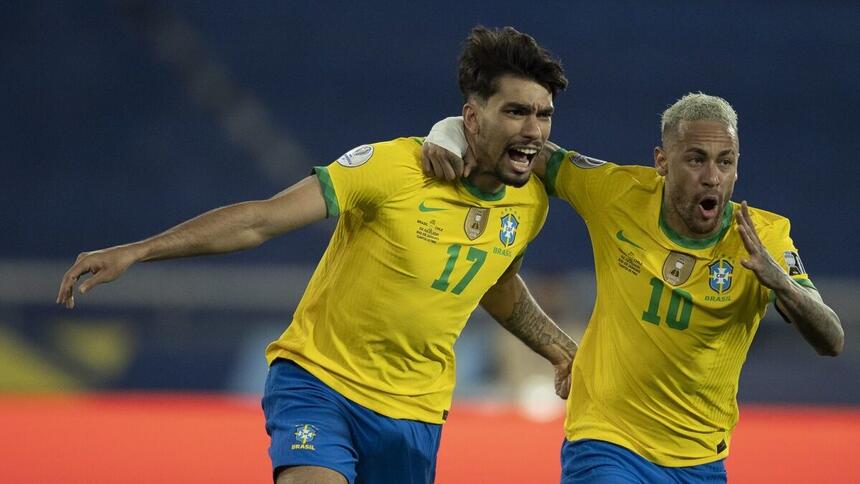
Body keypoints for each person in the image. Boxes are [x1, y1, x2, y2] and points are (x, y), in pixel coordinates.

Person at [56, 26, 578, 484]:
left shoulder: (529, 202)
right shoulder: (390, 167)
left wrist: (560, 348)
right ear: (472, 115)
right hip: (319, 381)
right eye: (516, 111)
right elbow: (262, 219)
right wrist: (140, 250)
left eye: (543, 115)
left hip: (414, 410)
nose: (534, 129)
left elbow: (497, 282)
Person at [423, 92, 844, 483]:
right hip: (607, 441)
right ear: (662, 161)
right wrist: (450, 130)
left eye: (725, 161)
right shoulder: (617, 192)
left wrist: (783, 285)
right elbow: (530, 152)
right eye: (696, 160)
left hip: (699, 458)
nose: (712, 177)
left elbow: (831, 339)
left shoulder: (764, 238)